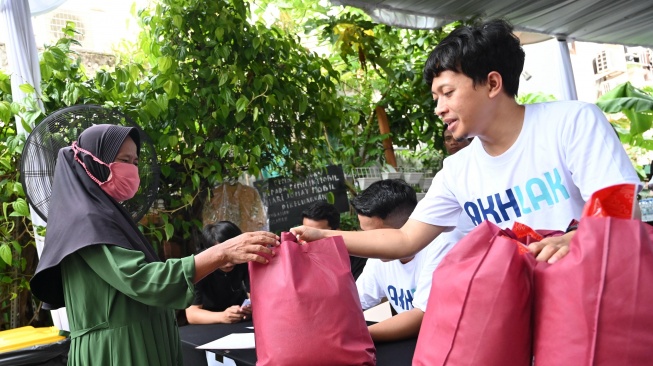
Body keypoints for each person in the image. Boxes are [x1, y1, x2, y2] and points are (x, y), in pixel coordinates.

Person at [291, 19, 640, 273]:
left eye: (447, 93)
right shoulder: (458, 170)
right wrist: (321, 237)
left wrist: (578, 239)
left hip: (589, 299)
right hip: (519, 315)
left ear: (491, 83)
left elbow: (621, 207)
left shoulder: (571, 121)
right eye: (435, 97)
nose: (439, 108)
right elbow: (404, 240)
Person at [30, 124, 279, 366]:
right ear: (92, 161)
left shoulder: (108, 216)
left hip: (143, 345)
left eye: (135, 162)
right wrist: (221, 252)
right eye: (124, 160)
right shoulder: (87, 222)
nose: (132, 169)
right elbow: (143, 279)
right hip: (118, 353)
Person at [186, 221, 253, 324]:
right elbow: (191, 314)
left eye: (232, 254)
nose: (228, 263)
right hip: (209, 321)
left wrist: (251, 309)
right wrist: (222, 316)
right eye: (222, 256)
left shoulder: (244, 260)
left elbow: (254, 298)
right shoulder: (198, 265)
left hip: (239, 316)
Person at [301, 201, 367, 279]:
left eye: (316, 235)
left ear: (336, 232)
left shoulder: (357, 259)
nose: (308, 241)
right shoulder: (300, 260)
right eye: (305, 233)